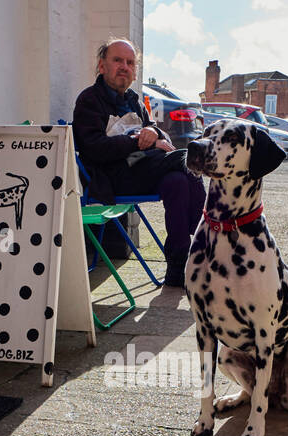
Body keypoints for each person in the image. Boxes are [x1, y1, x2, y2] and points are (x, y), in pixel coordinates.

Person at [72, 38, 206, 288]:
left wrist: (155, 135)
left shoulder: (134, 100)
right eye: (117, 60)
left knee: (177, 180)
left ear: (134, 71)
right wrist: (138, 142)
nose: (124, 66)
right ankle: (207, 243)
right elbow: (95, 149)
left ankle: (178, 267)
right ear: (102, 66)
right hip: (110, 176)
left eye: (130, 62)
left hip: (139, 165)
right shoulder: (89, 100)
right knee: (185, 159)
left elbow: (157, 132)